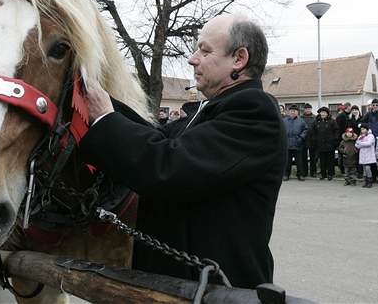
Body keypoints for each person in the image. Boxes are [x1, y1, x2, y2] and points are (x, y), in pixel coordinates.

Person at [79, 14, 286, 288]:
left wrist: (105, 118)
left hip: (218, 289)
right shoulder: (213, 108)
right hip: (184, 283)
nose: (192, 59)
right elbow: (156, 138)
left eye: (205, 50)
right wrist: (102, 101)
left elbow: (168, 166)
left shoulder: (254, 112)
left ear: (239, 59)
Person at [311, 106, 339, 181]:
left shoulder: (332, 121)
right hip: (320, 145)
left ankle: (330, 174)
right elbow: (313, 132)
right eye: (321, 112)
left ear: (327, 113)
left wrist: (335, 140)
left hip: (330, 144)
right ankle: (323, 174)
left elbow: (336, 131)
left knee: (330, 161)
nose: (323, 114)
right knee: (322, 160)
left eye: (324, 112)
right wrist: (314, 140)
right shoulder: (316, 122)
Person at [284, 104, 308, 181]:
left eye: (294, 111)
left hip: (298, 144)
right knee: (287, 162)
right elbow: (281, 130)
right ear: (288, 112)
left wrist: (301, 138)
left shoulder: (301, 121)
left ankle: (300, 175)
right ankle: (286, 175)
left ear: (297, 112)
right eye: (291, 111)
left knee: (299, 162)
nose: (293, 112)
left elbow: (306, 130)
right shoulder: (284, 121)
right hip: (287, 144)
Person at [301, 103, 318, 178]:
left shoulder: (315, 117)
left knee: (313, 158)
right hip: (303, 140)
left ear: (311, 109)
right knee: (303, 157)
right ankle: (304, 172)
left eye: (309, 109)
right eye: (306, 109)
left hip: (312, 140)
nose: (308, 110)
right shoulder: (300, 117)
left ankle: (313, 172)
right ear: (304, 110)